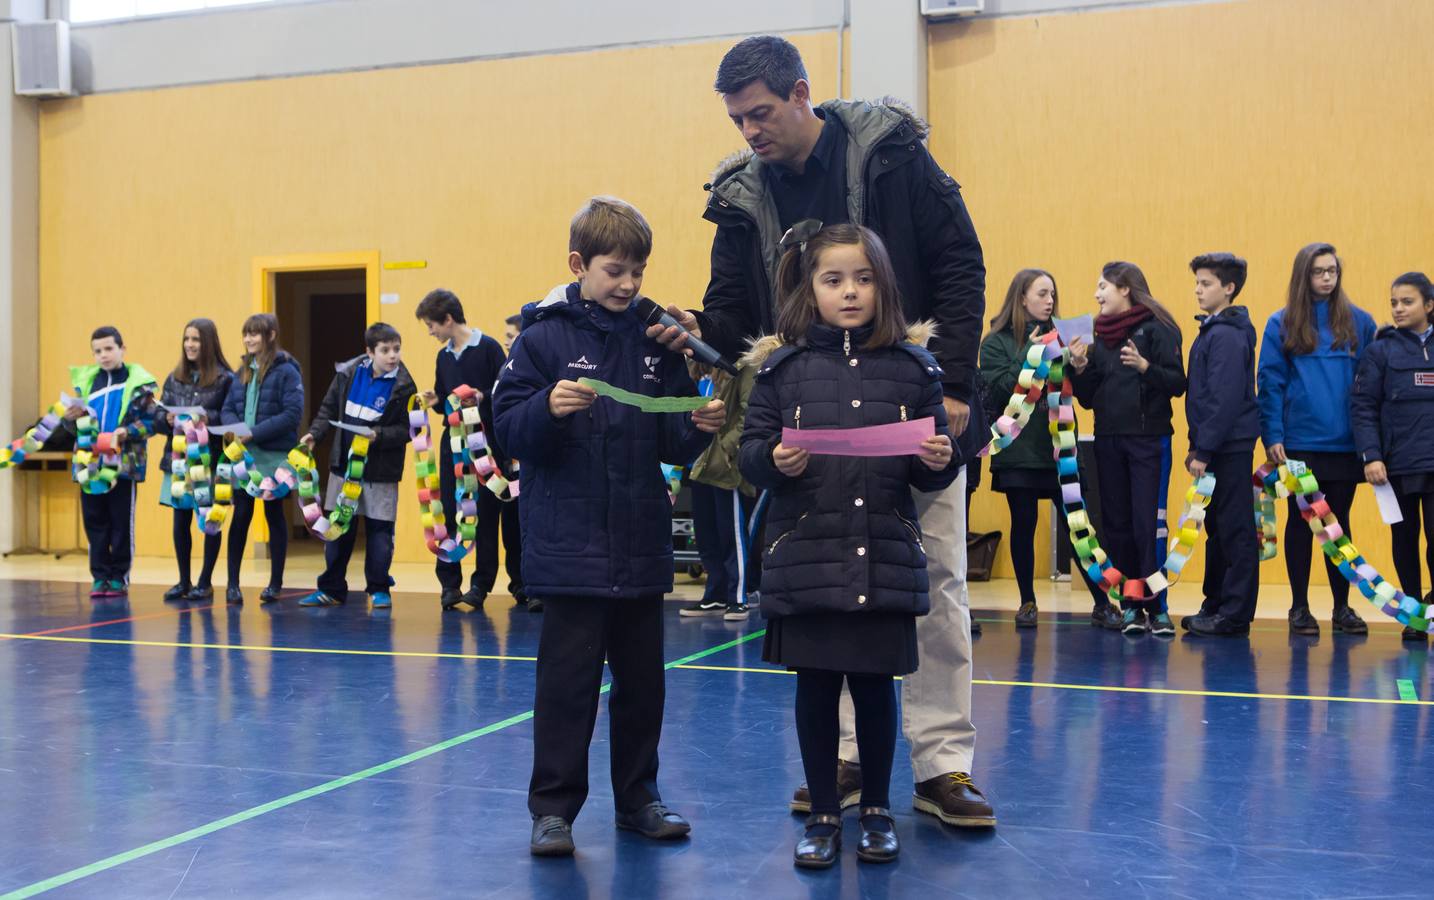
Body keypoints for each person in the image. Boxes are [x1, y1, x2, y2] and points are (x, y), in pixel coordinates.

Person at [650, 33, 995, 828]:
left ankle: (943, 766)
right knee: (831, 594)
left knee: (936, 580)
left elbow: (959, 262)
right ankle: (845, 759)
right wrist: (697, 324)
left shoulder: (892, 154)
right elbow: (732, 311)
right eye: (737, 120)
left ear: (802, 93)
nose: (750, 132)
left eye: (761, 114)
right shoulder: (740, 195)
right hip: (810, 423)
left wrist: (954, 386)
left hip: (910, 403)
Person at [492, 197, 725, 857]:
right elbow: (509, 428)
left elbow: (673, 440)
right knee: (566, 690)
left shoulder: (652, 343)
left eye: (638, 273)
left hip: (641, 542)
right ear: (578, 264)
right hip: (569, 550)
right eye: (615, 270)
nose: (627, 284)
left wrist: (695, 423)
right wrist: (547, 407)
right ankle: (554, 810)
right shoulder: (539, 339)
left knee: (644, 687)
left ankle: (639, 799)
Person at [741, 224, 958, 867]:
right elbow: (750, 451)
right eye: (834, 279)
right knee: (815, 689)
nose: (851, 291)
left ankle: (877, 811)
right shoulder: (782, 370)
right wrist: (773, 460)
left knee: (873, 690)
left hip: (883, 553)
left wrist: (937, 458)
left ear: (883, 287)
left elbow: (930, 467)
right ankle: (825, 815)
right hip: (808, 556)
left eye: (864, 278)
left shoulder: (915, 369)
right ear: (811, 289)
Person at [979, 269, 1119, 629]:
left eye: (1052, 294)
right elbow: (997, 391)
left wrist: (1080, 366)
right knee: (1023, 524)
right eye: (1042, 293)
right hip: (1019, 451)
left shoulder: (1064, 339)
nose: (1050, 300)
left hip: (1061, 450)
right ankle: (1027, 601)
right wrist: (1030, 350)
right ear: (1021, 297)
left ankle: (1102, 602)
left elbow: (1085, 398)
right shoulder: (996, 342)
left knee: (1079, 526)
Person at [1257, 242, 1378, 636]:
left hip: (1344, 443)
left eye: (1332, 271)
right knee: (1301, 521)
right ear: (1303, 276)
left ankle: (1342, 607)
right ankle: (1299, 607)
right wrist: (1273, 434)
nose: (1327, 278)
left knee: (1337, 526)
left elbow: (1371, 386)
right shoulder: (1282, 323)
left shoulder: (1360, 322)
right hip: (1300, 444)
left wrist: (1371, 442)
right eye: (1319, 272)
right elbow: (1270, 382)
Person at [1068, 262, 1186, 636]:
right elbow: (1087, 400)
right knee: (1117, 523)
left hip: (1149, 439)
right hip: (1108, 440)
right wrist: (1080, 367)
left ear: (1125, 289)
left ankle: (1159, 608)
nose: (1096, 294)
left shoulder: (1160, 329)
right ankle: (1131, 605)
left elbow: (1177, 383)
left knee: (1147, 524)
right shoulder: (1098, 338)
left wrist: (1145, 366)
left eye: (1103, 286)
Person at [297, 322, 416, 609]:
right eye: (385, 350)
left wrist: (379, 436)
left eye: (396, 349)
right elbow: (327, 409)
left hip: (381, 473)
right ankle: (332, 588)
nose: (392, 356)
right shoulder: (347, 375)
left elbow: (409, 430)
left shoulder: (405, 387)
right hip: (343, 468)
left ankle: (378, 588)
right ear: (369, 352)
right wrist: (315, 433)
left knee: (380, 533)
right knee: (339, 530)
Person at [1351, 272, 1434, 642]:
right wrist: (1371, 455)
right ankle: (1414, 613)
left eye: (1408, 302)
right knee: (1404, 538)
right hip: (1397, 465)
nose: (1399, 309)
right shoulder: (1379, 351)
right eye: (1394, 303)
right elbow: (1363, 406)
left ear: (1428, 305)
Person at [414, 289, 509, 610]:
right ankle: (449, 583)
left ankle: (481, 585)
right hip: (452, 444)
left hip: (483, 443)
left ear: (448, 319)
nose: (431, 332)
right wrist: (434, 401)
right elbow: (445, 400)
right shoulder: (444, 356)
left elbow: (506, 391)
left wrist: (481, 396)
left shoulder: (489, 348)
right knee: (450, 510)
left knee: (481, 514)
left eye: (432, 325)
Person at [1182, 253, 1261, 637]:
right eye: (1197, 282)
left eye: (1207, 283)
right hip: (1215, 446)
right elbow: (1202, 396)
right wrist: (1196, 445)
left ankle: (1234, 612)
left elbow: (1223, 398)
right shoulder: (1213, 330)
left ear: (1228, 288)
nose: (1198, 289)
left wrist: (1205, 449)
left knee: (1234, 529)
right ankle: (1215, 603)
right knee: (1217, 527)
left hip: (1228, 447)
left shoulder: (1228, 334)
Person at [65, 326, 158, 598]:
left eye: (108, 349)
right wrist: (70, 419)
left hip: (123, 464)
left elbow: (152, 423)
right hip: (89, 465)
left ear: (122, 350)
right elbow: (73, 428)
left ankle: (119, 576)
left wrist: (126, 432)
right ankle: (99, 576)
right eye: (97, 351)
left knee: (120, 522)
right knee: (94, 520)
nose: (103, 355)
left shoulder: (138, 383)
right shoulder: (87, 384)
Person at [221, 313, 304, 604]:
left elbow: (291, 415)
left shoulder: (287, 371)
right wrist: (235, 430)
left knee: (273, 515)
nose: (248, 339)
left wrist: (253, 434)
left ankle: (275, 583)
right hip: (244, 455)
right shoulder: (242, 370)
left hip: (274, 454)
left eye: (254, 334)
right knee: (240, 515)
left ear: (269, 335)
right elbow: (228, 407)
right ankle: (233, 584)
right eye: (245, 334)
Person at [157, 318, 234, 603]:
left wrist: (206, 419)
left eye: (196, 340)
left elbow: (229, 418)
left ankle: (205, 581)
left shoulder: (226, 379)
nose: (190, 345)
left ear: (208, 343)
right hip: (178, 462)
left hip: (209, 460)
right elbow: (157, 419)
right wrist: (164, 419)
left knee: (210, 520)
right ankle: (183, 580)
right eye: (187, 339)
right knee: (181, 521)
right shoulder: (174, 378)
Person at [680, 361, 760, 620]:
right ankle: (714, 593)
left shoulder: (741, 368)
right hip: (699, 463)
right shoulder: (695, 370)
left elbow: (749, 413)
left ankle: (738, 596)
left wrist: (727, 448)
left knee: (732, 534)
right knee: (706, 532)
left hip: (724, 466)